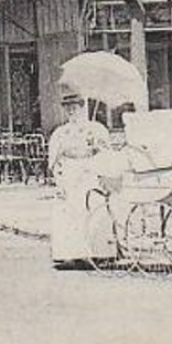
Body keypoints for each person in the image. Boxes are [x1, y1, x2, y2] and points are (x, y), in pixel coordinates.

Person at [46, 89, 116, 269]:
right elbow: (55, 159)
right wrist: (58, 180)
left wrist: (95, 147)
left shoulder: (95, 129)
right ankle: (71, 254)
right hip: (69, 175)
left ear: (82, 108)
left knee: (95, 209)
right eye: (68, 108)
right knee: (68, 211)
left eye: (75, 107)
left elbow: (106, 154)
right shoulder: (61, 133)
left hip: (89, 173)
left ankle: (100, 253)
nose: (71, 111)